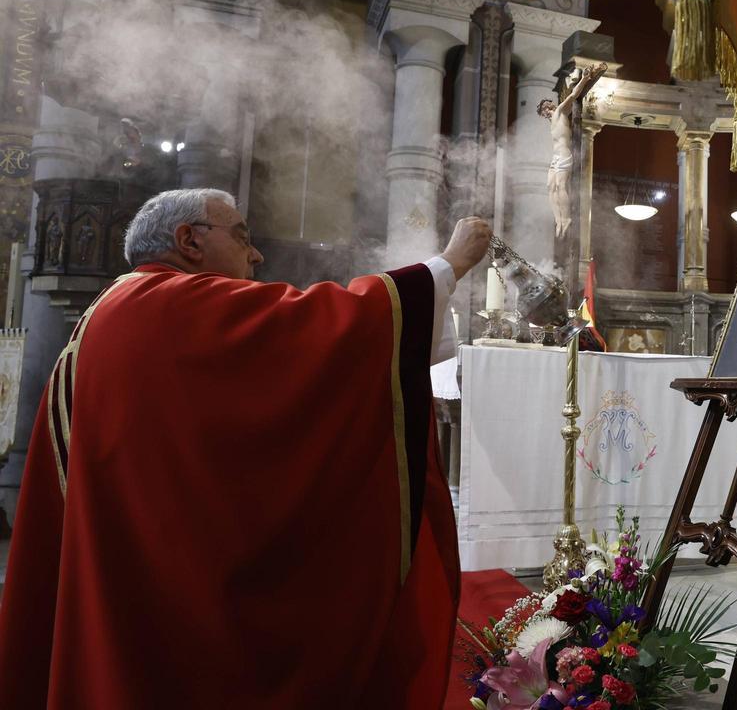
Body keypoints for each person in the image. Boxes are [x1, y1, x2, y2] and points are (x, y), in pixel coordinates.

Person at [0, 188, 491, 708]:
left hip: (140, 579)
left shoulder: (116, 309)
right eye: (242, 236)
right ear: (188, 240)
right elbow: (334, 327)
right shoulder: (170, 303)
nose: (255, 254)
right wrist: (448, 264)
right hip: (181, 612)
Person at [541, 62, 607, 238]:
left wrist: (585, 78)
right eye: (544, 110)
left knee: (561, 185)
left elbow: (574, 95)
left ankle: (567, 218)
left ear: (552, 106)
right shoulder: (552, 121)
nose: (547, 110)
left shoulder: (561, 111)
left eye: (548, 106)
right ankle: (559, 220)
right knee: (550, 186)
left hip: (564, 154)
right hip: (555, 157)